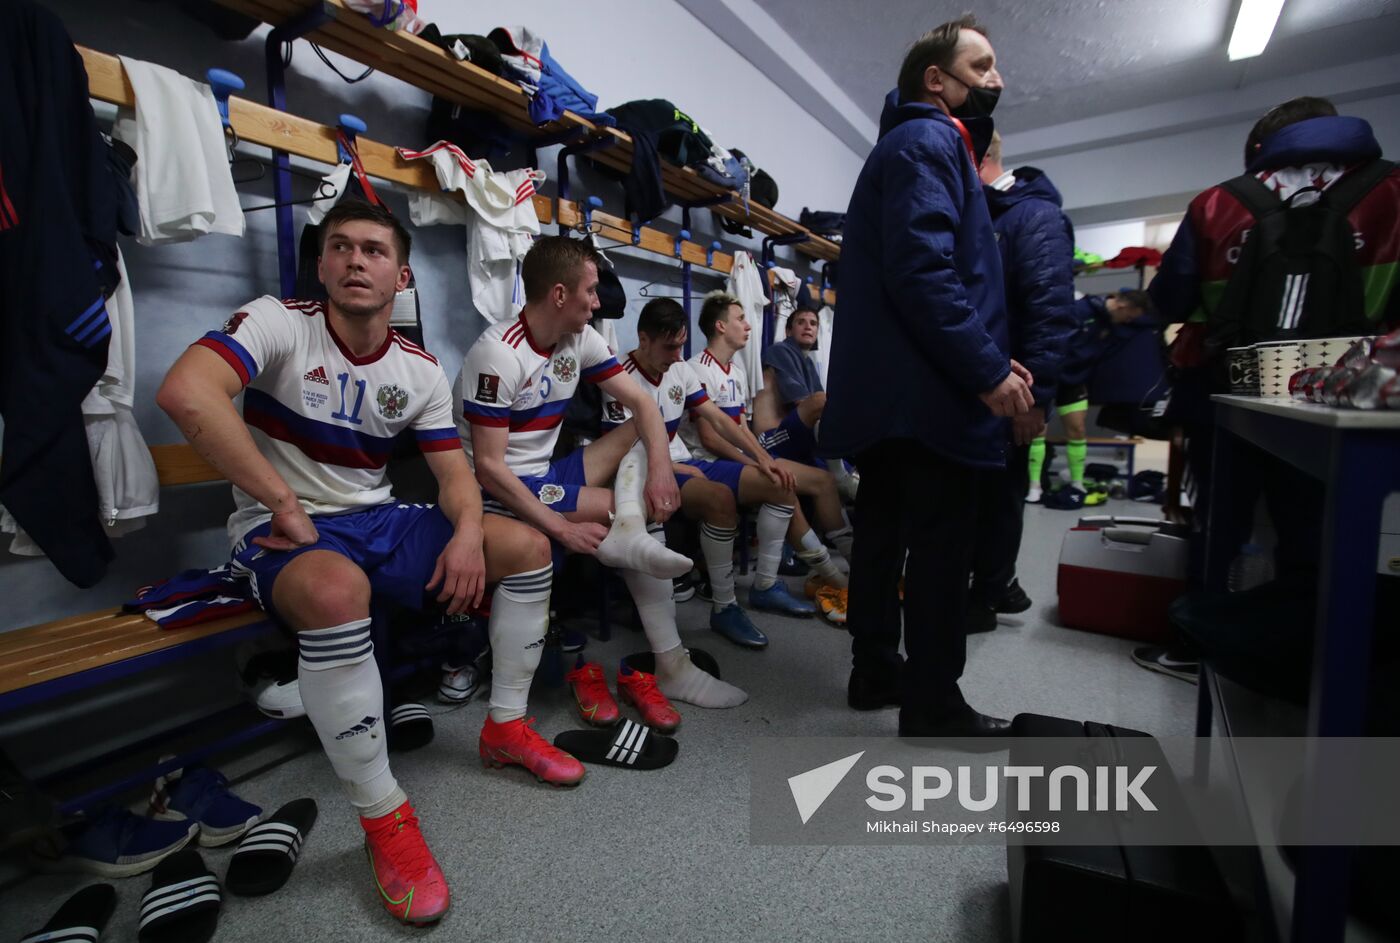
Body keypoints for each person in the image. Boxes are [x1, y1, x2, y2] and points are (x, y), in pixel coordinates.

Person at [156, 201, 556, 925]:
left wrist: (467, 531)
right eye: (340, 247)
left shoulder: (420, 367)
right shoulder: (280, 320)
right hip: (284, 529)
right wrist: (279, 498)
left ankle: (506, 727)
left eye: (373, 250)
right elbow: (186, 392)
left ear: (401, 275)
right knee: (340, 591)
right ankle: (385, 816)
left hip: (376, 518)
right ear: (321, 263)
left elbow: (455, 472)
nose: (354, 261)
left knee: (526, 545)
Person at [1136, 96, 1400, 680]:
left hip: (1228, 394)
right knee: (1316, 534)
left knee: (1219, 525)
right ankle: (1304, 661)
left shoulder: (1219, 201)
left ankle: (1195, 645)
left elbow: (1172, 299)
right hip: (1344, 400)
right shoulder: (1392, 191)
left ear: (1264, 148)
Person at [820, 15, 1033, 738]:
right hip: (927, 399)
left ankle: (875, 669)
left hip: (893, 396)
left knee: (882, 535)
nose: (996, 79)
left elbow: (927, 277)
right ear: (935, 79)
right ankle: (934, 702)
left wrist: (992, 353)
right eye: (983, 65)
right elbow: (926, 271)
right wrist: (984, 369)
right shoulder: (932, 141)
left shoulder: (905, 144)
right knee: (943, 549)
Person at [456, 236, 748, 731]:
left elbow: (643, 404)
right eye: (590, 291)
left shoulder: (581, 339)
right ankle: (671, 660)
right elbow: (489, 469)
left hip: (550, 471)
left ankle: (640, 566)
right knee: (619, 514)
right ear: (559, 295)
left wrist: (661, 470)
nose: (598, 301)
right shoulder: (498, 356)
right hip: (501, 488)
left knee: (636, 451)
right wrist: (564, 530)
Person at [602, 297, 824, 649]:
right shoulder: (618, 377)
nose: (678, 355)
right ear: (643, 340)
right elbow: (616, 454)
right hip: (644, 470)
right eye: (669, 346)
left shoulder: (680, 369)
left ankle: (766, 586)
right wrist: (674, 466)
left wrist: (761, 457)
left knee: (777, 483)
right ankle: (725, 606)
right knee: (720, 499)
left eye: (681, 345)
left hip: (687, 463)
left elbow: (718, 418)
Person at [684, 291, 854, 624]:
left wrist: (763, 457)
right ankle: (795, 580)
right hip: (708, 463)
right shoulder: (696, 369)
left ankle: (853, 565)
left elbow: (742, 429)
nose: (749, 326)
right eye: (740, 319)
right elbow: (709, 438)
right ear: (720, 327)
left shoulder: (734, 371)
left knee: (822, 480)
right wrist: (757, 462)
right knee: (779, 483)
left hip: (738, 459)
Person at [966, 131, 1078, 633]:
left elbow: (1050, 313)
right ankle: (992, 582)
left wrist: (1038, 401)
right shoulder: (988, 216)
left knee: (1000, 492)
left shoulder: (1034, 218)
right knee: (983, 493)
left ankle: (986, 593)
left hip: (1013, 389)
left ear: (977, 158)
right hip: (980, 387)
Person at [1026, 290, 1152, 504]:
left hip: (1075, 380)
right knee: (1038, 431)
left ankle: (1077, 483)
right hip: (1049, 375)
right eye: (1130, 316)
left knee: (1077, 429)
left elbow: (1147, 323)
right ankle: (1034, 486)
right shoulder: (1080, 309)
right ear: (1123, 306)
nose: (1130, 321)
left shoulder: (1114, 324)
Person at [752, 307, 861, 505]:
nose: (808, 327)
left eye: (813, 323)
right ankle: (843, 477)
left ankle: (842, 535)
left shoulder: (807, 362)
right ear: (787, 331)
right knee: (822, 403)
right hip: (769, 439)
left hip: (794, 436)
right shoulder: (780, 350)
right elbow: (807, 403)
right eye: (801, 322)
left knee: (844, 473)